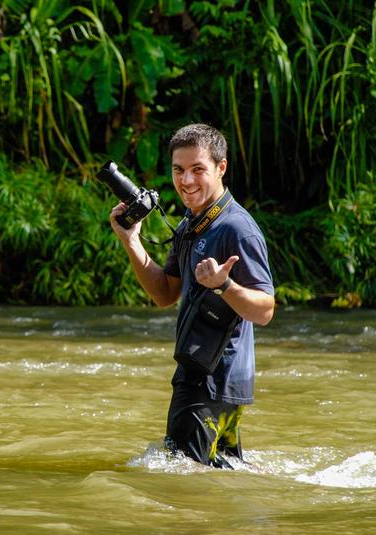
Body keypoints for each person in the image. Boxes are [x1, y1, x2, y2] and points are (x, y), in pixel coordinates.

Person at [109, 123, 275, 469]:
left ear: (221, 168)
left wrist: (225, 286)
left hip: (209, 382)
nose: (186, 181)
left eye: (198, 169)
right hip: (218, 383)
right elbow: (165, 293)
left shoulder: (237, 229)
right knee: (214, 482)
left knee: (179, 486)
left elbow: (265, 310)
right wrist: (131, 240)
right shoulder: (190, 224)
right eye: (179, 170)